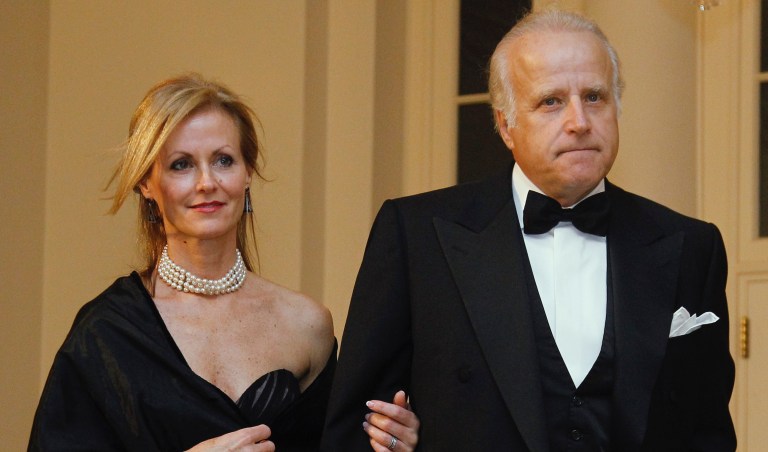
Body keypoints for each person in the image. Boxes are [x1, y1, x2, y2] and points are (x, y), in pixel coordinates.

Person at [322, 9, 736, 451]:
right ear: (505, 125)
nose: (579, 121)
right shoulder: (416, 235)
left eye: (594, 97)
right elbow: (357, 428)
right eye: (551, 101)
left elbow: (707, 433)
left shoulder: (692, 245)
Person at [29, 74, 419, 451]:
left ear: (248, 172)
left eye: (223, 160)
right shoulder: (105, 334)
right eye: (181, 164)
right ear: (146, 184)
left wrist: (394, 442)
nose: (206, 183)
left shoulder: (308, 325)